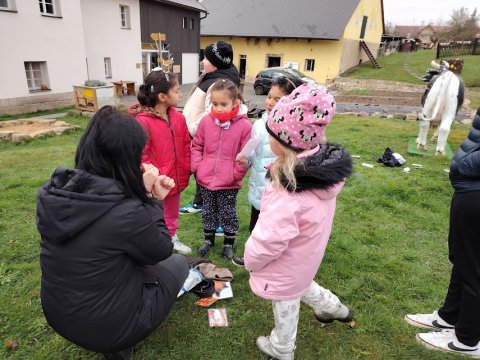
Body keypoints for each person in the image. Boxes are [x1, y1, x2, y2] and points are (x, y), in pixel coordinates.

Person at [36, 106, 189, 360]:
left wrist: (136, 196)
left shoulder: (54, 194)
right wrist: (151, 199)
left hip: (57, 315)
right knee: (177, 264)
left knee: (116, 261)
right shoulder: (126, 211)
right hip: (105, 330)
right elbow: (162, 249)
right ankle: (118, 342)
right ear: (126, 157)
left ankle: (112, 332)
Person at [244, 83, 354, 360]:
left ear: (283, 142)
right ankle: (333, 308)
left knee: (286, 298)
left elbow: (270, 238)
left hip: (287, 263)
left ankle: (281, 348)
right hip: (307, 256)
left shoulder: (288, 191)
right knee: (302, 283)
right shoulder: (322, 172)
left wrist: (251, 259)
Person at [406, 106, 480, 357]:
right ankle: (450, 317)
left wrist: (468, 164)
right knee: (461, 260)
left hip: (476, 190)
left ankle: (467, 339)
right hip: (469, 188)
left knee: (474, 269)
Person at [232, 76, 297, 267]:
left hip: (279, 189)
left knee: (276, 229)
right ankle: (252, 259)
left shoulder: (291, 129)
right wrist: (246, 159)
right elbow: (253, 152)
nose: (270, 102)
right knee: (255, 227)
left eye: (277, 99)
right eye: (269, 96)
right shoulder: (259, 125)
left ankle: (277, 262)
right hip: (259, 188)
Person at [129, 69, 192, 254]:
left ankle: (171, 238)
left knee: (172, 213)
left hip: (175, 177)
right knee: (153, 214)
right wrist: (154, 177)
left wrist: (186, 167)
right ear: (163, 96)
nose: (181, 94)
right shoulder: (142, 121)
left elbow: (186, 144)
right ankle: (154, 242)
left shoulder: (179, 118)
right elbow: (142, 154)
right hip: (156, 182)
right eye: (177, 90)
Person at [191, 79, 252, 259]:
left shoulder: (244, 127)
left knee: (228, 213)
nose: (218, 108)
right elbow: (197, 146)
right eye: (214, 104)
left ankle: (228, 243)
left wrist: (235, 174)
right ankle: (208, 240)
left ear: (235, 102)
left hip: (229, 182)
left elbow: (246, 156)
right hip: (206, 180)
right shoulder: (205, 122)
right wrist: (197, 167)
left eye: (223, 104)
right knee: (208, 211)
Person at [181, 40, 240, 216]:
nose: (203, 61)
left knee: (204, 171)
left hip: (202, 137)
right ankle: (200, 203)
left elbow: (211, 113)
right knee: (202, 171)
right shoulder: (213, 77)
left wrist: (190, 128)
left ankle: (208, 207)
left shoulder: (218, 83)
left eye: (206, 58)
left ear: (216, 62)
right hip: (199, 137)